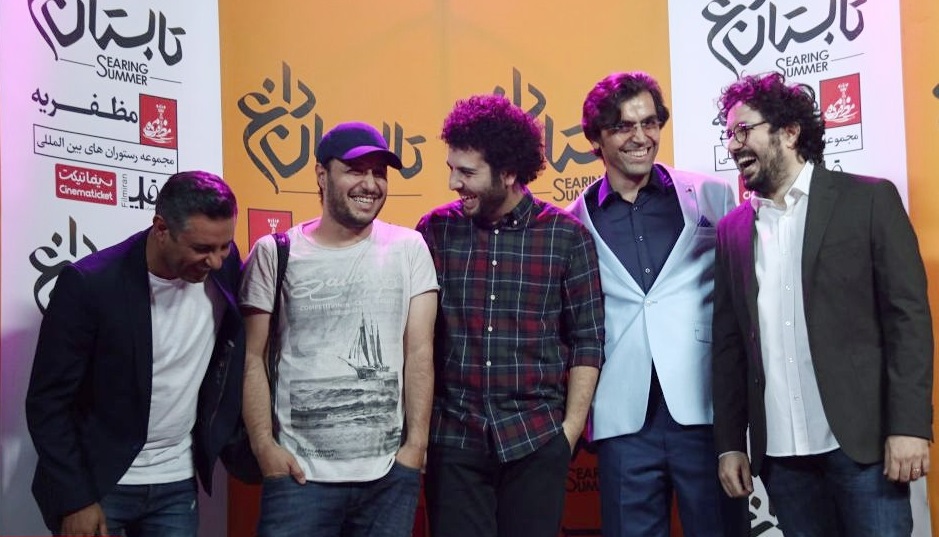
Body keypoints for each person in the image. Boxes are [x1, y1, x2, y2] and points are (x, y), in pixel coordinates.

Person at [712, 72, 933, 536]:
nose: (733, 145)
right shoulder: (732, 230)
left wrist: (910, 426)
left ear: (790, 132)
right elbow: (729, 346)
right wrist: (730, 443)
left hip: (865, 447)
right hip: (783, 458)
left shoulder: (868, 200)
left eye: (744, 130)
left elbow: (908, 320)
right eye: (728, 133)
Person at [567, 71, 748, 537]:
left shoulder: (711, 194)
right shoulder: (572, 224)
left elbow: (740, 298)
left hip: (703, 407)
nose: (641, 137)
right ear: (595, 139)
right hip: (622, 416)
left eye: (649, 122)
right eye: (623, 126)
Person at [416, 94, 605, 537]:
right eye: (451, 168)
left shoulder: (566, 236)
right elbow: (417, 339)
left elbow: (588, 341)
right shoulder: (434, 230)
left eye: (467, 173)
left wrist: (568, 433)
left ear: (507, 172)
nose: (453, 183)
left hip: (535, 440)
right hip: (453, 441)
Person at [239, 121, 438, 537]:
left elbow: (419, 353)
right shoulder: (275, 252)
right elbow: (252, 357)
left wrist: (415, 447)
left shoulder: (409, 248)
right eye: (355, 170)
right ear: (321, 174)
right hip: (298, 478)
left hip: (389, 477)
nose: (370, 184)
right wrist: (264, 446)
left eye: (379, 173)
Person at [26, 171, 243, 535]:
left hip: (177, 480)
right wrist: (75, 499)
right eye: (202, 248)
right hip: (101, 480)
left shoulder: (223, 267)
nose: (217, 261)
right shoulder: (91, 284)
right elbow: (47, 403)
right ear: (161, 229)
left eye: (224, 246)